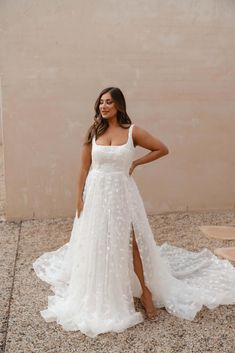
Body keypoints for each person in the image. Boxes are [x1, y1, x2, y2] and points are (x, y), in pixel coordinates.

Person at [33, 87, 235, 338]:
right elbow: (83, 169)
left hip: (121, 194)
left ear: (119, 105)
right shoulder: (93, 132)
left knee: (133, 244)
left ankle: (146, 293)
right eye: (100, 102)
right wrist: (78, 199)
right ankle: (104, 290)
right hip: (96, 193)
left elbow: (162, 148)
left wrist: (136, 162)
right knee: (98, 243)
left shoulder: (133, 132)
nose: (103, 106)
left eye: (108, 102)